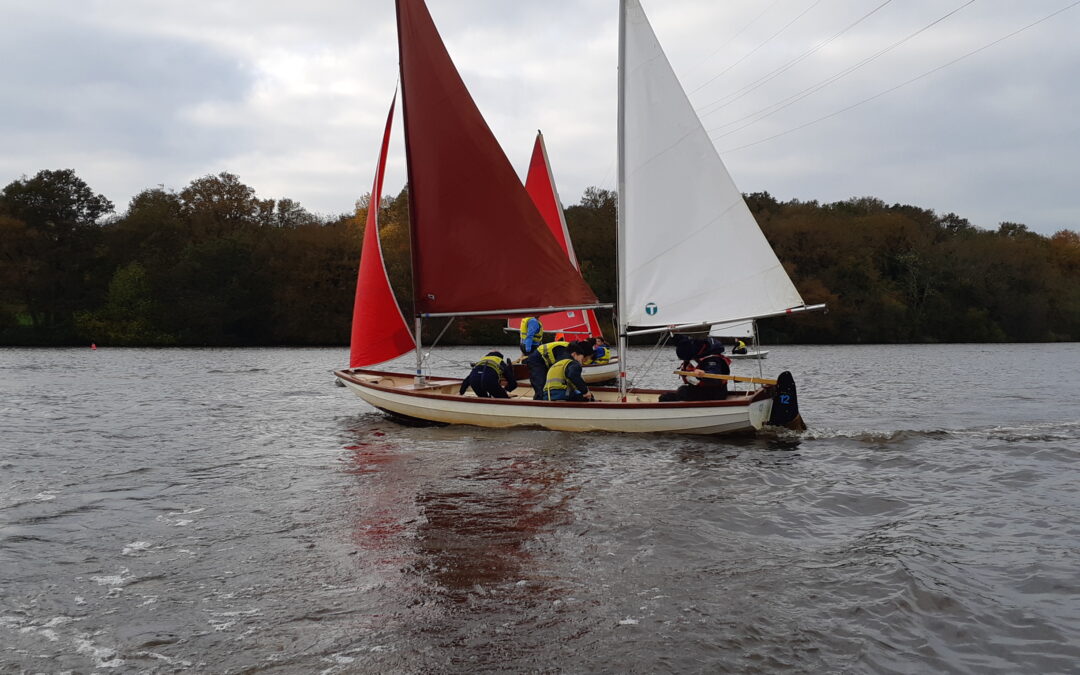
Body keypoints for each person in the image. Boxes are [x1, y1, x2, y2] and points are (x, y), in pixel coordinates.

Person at [658, 336, 731, 402]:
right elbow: (682, 340)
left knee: (675, 394)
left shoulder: (712, 359)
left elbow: (715, 376)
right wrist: (674, 334)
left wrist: (703, 373)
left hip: (714, 393)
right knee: (682, 390)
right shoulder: (695, 347)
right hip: (699, 389)